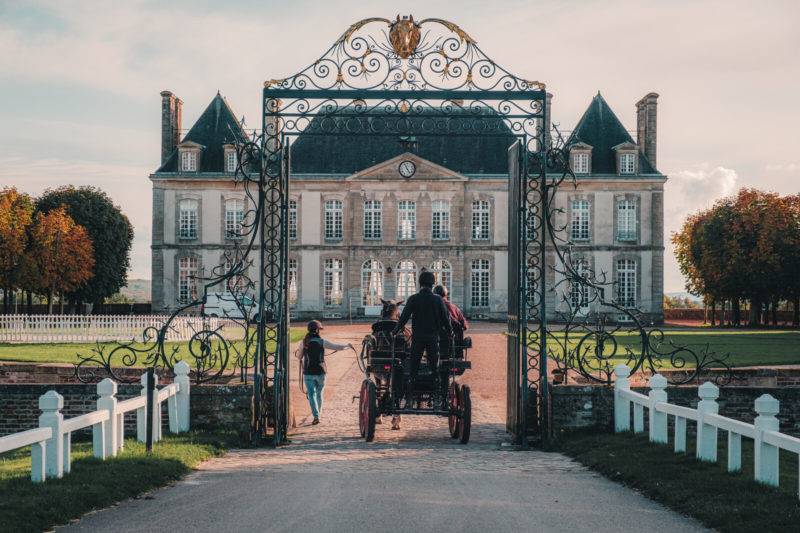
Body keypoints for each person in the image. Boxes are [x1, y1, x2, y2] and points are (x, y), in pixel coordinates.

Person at [392, 270, 452, 406]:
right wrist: (450, 333)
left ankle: (408, 400)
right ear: (432, 284)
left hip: (418, 338)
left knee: (413, 369)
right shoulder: (438, 300)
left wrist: (395, 331)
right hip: (433, 339)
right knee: (434, 369)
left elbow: (404, 318)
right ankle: (436, 399)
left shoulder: (413, 299)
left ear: (420, 284)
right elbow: (445, 319)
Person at [294, 320, 353, 425]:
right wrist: (348, 346)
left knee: (311, 395)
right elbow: (337, 347)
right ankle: (318, 415)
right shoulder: (322, 342)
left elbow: (299, 357)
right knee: (319, 394)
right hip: (321, 372)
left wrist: (299, 353)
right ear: (317, 330)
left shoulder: (303, 343)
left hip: (308, 373)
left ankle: (316, 415)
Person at [433, 284, 468, 361]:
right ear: (446, 295)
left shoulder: (431, 308)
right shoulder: (454, 308)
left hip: (435, 346)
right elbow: (465, 326)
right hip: (453, 347)